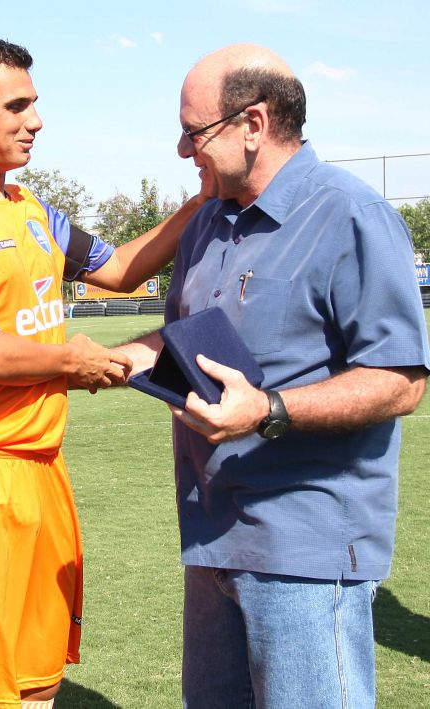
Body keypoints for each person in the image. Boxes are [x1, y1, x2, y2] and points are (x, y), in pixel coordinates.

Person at [0, 34, 207, 709]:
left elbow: (119, 269)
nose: (35, 120)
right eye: (17, 105)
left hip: (41, 470)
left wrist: (204, 199)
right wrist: (75, 361)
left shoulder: (30, 209)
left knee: (38, 684)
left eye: (35, 105)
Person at [116, 44, 430, 708]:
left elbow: (402, 379)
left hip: (306, 552)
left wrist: (267, 409)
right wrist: (95, 361)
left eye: (193, 131)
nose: (181, 149)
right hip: (212, 537)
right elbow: (179, 342)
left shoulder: (351, 216)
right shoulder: (207, 220)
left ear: (253, 124)